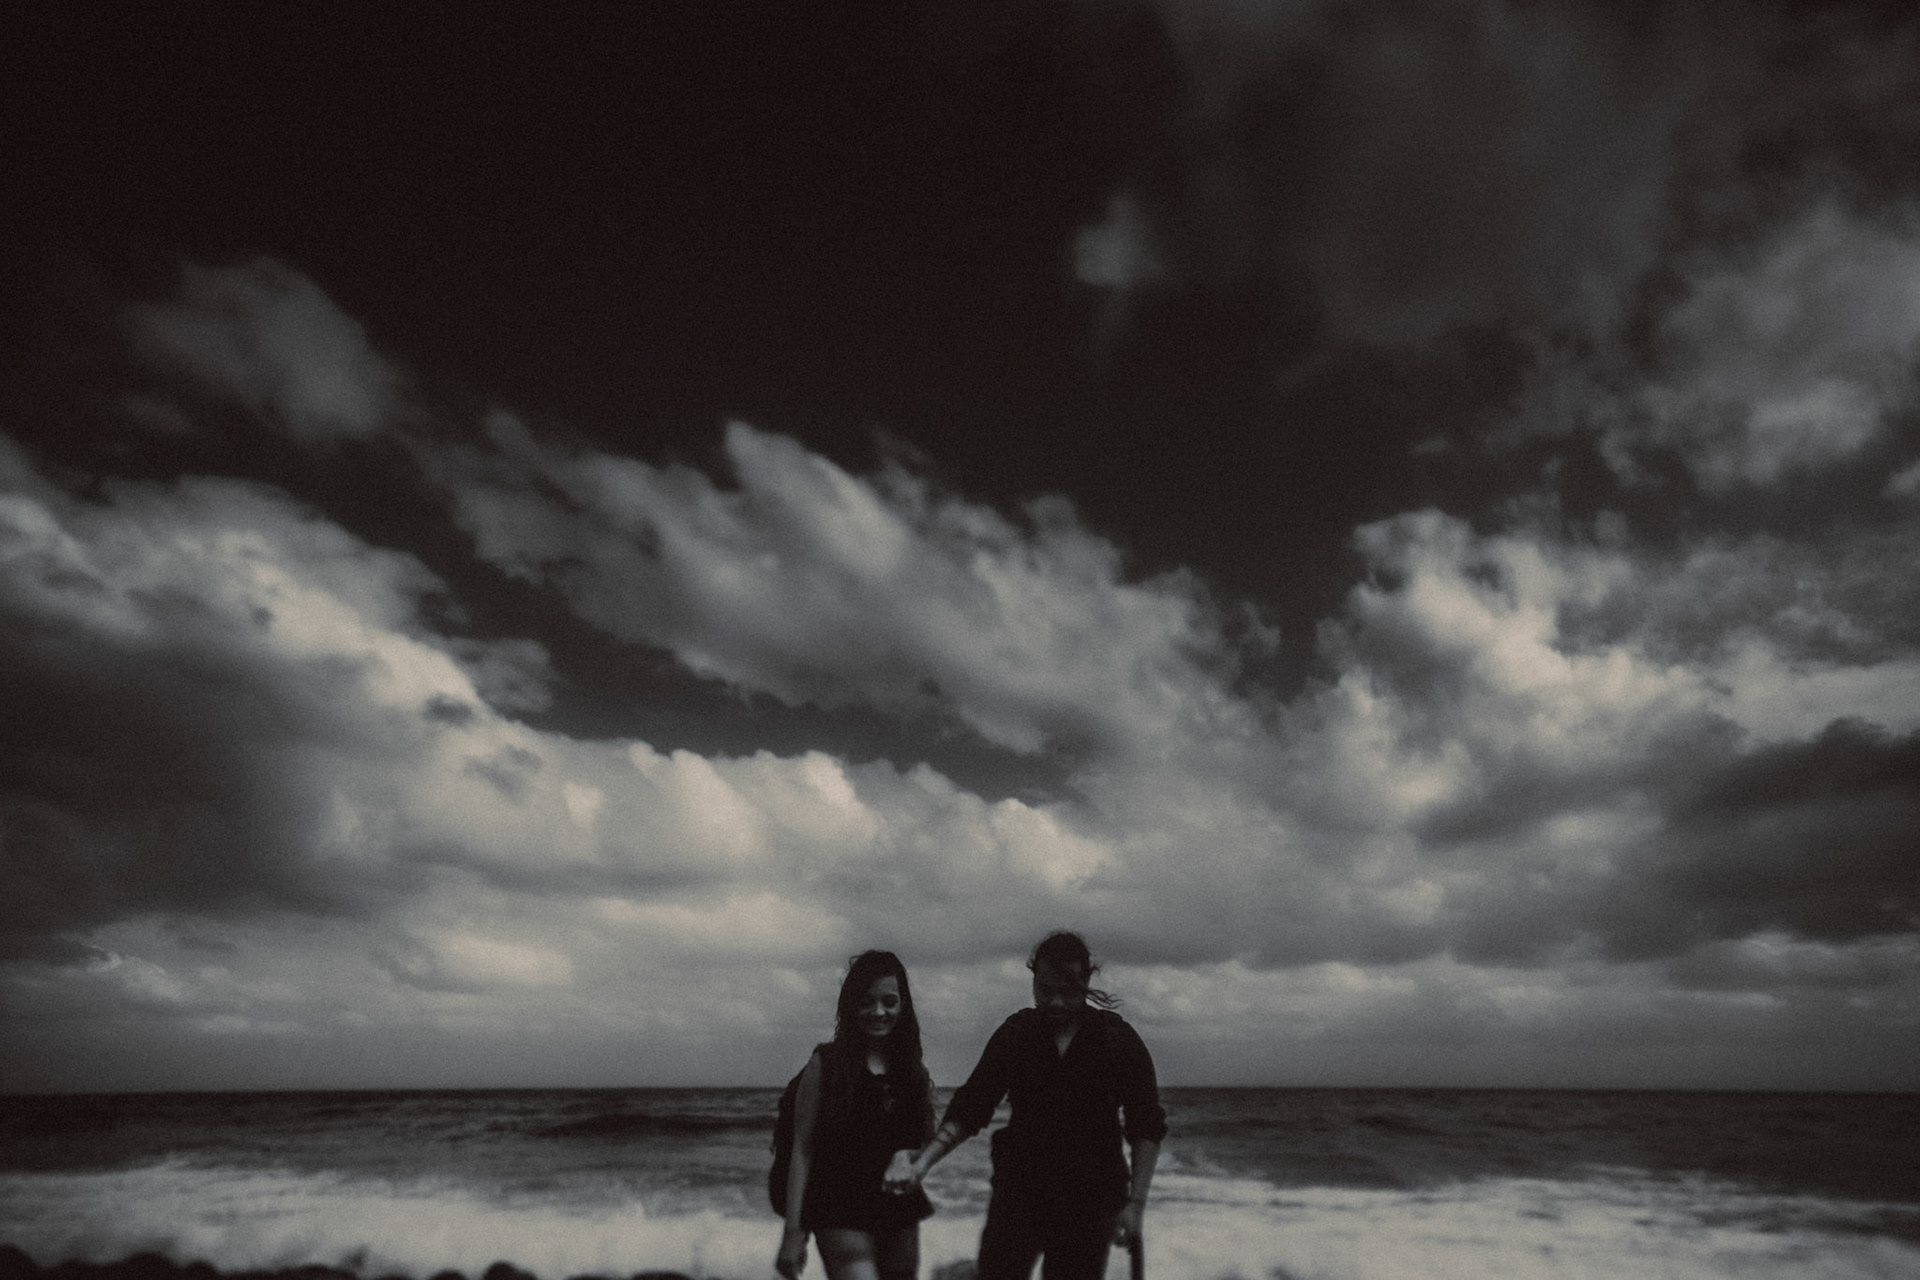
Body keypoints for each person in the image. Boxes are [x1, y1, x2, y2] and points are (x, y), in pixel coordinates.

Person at [885, 932, 1166, 1280]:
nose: (1057, 1002)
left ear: (1087, 981)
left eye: (1069, 992)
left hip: (1091, 1200)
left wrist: (1135, 1205)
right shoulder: (1016, 1034)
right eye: (1046, 991)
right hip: (1018, 1196)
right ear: (1033, 980)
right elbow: (971, 1106)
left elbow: (1146, 1124)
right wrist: (922, 1164)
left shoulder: (1115, 1038)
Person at [777, 950, 936, 1280]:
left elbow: (925, 1142)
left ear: (903, 1005)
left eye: (889, 1001)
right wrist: (793, 1232)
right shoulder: (826, 1064)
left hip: (899, 1208)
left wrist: (909, 1157)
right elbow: (802, 1150)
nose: (879, 1011)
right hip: (837, 1205)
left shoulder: (912, 1072)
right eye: (866, 1002)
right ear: (850, 1006)